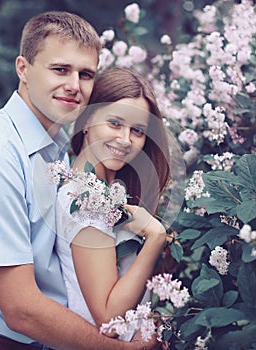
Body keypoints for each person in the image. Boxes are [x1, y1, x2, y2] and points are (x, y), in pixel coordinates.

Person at [0, 11, 158, 350]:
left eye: (85, 74)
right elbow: (21, 309)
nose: (73, 85)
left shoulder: (59, 148)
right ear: (23, 68)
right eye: (60, 69)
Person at [55, 67, 171, 344]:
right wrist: (156, 239)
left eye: (138, 130)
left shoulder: (112, 195)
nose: (125, 139)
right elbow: (109, 319)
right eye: (115, 123)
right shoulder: (84, 200)